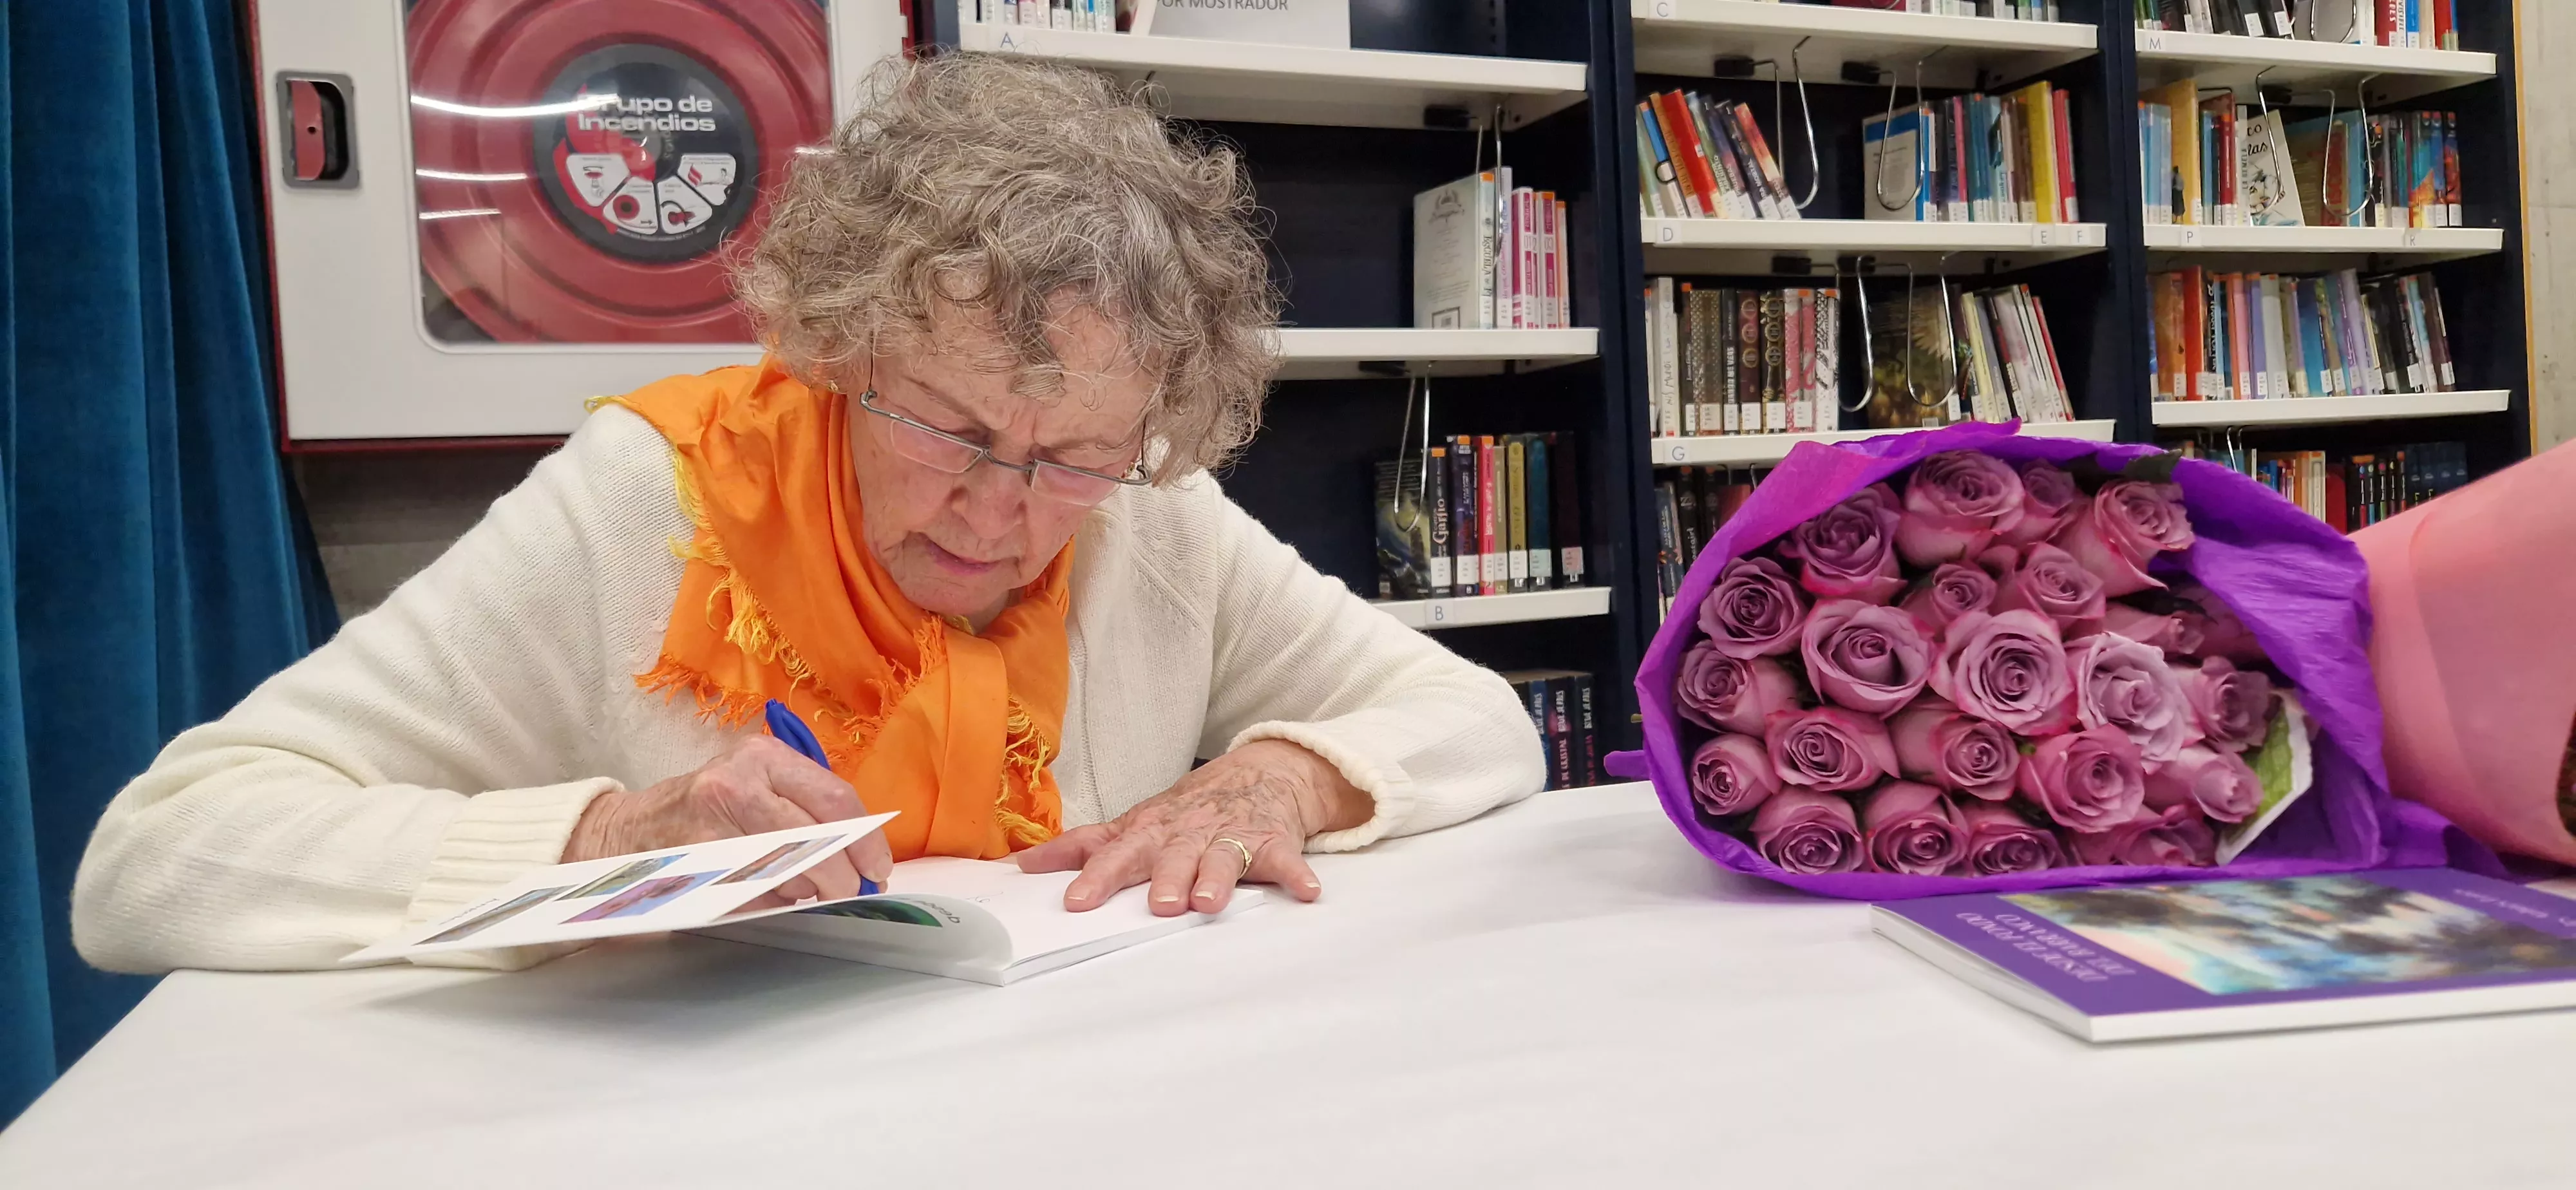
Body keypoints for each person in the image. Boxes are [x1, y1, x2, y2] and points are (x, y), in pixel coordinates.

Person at [70, 53, 1542, 974]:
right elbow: (158, 859)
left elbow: (1475, 720)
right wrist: (612, 836)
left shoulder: (1147, 512)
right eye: (946, 429)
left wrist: (1277, 778)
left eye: (1072, 457)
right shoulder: (640, 498)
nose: (999, 511)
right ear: (836, 351)